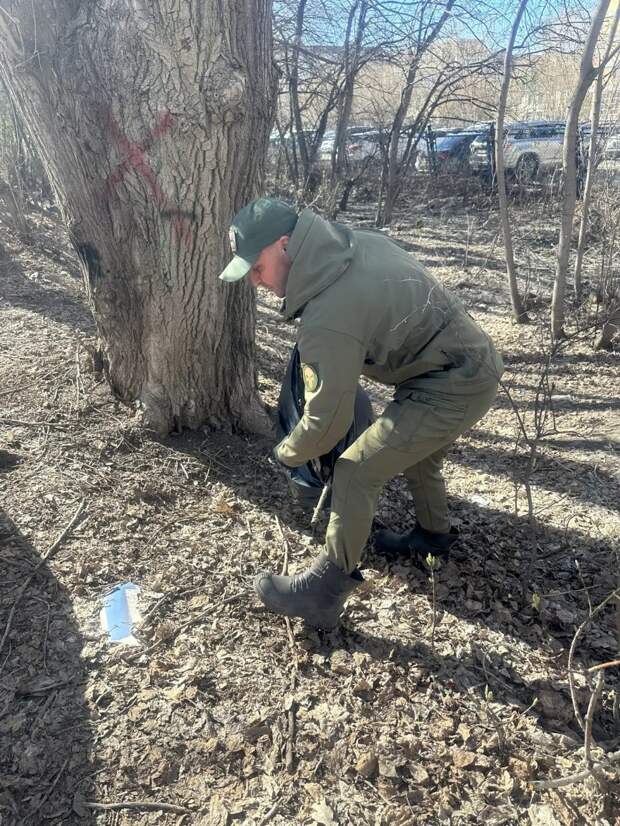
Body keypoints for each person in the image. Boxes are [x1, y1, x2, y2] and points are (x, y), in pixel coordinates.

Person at [219, 197, 503, 630]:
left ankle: (324, 591)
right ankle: (433, 537)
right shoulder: (351, 245)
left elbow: (325, 422)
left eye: (257, 269)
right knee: (418, 454)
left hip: (453, 382)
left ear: (284, 245)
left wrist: (285, 454)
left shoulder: (329, 315)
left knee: (357, 468)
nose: (256, 283)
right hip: (462, 361)